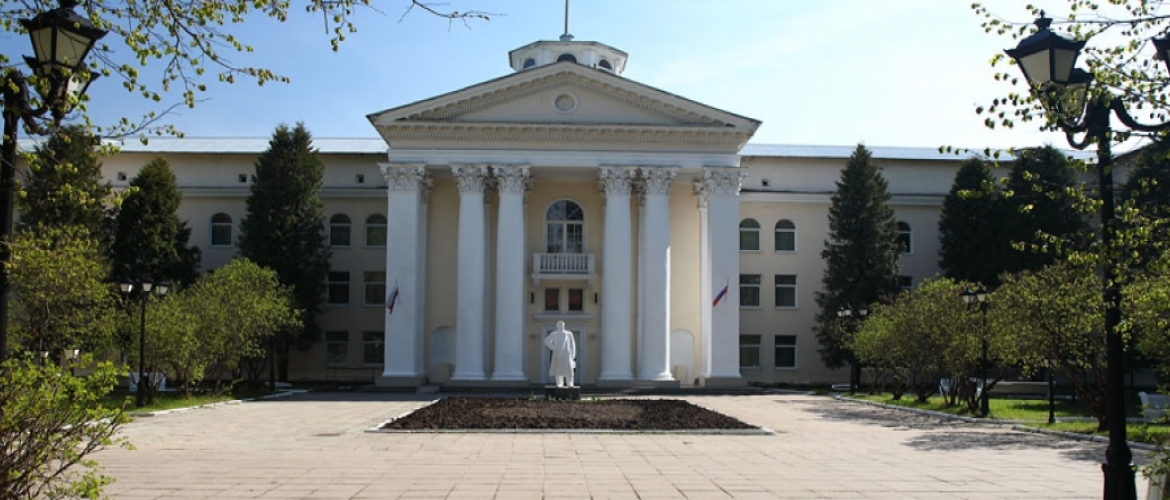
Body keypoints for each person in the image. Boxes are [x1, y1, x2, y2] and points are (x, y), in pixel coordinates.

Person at [545, 321, 576, 387]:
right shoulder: (554, 334)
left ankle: (570, 382)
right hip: (557, 353)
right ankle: (559, 383)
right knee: (558, 369)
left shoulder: (569, 334)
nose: (561, 326)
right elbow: (547, 341)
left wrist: (573, 353)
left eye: (562, 325)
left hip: (566, 353)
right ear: (557, 326)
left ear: (564, 325)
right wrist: (552, 347)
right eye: (559, 325)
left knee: (569, 368)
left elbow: (572, 344)